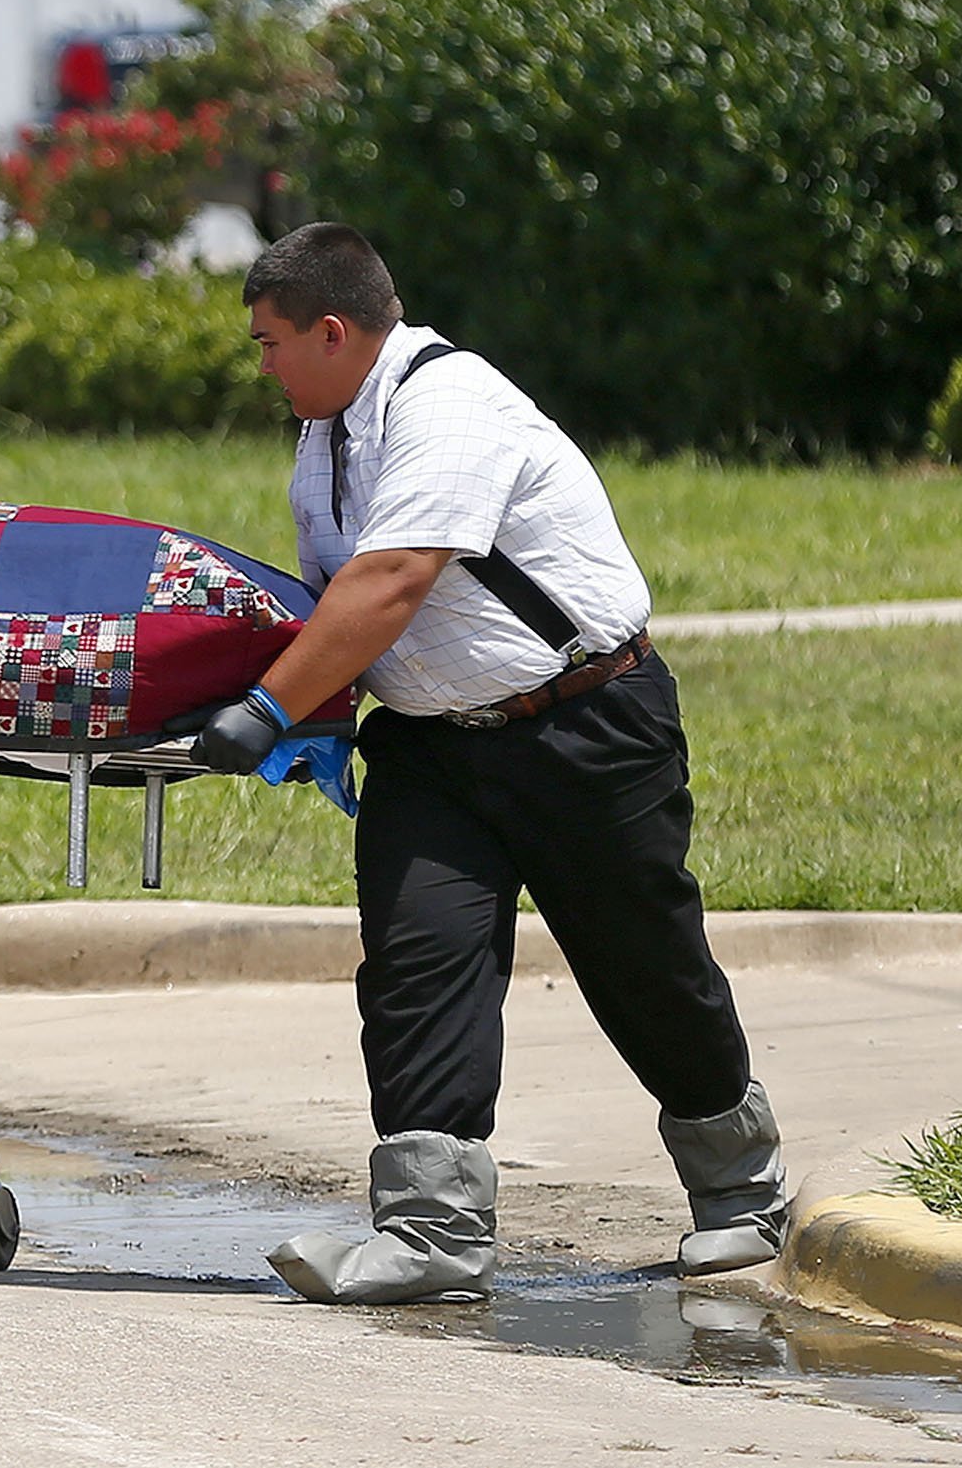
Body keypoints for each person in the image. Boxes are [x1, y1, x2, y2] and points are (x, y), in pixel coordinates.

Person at [191, 222, 789, 1304]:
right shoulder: (326, 433)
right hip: (432, 747)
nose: (264, 362)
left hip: (585, 724)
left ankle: (743, 1192)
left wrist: (266, 710)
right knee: (418, 969)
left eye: (272, 341)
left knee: (640, 960)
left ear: (333, 330)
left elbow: (395, 578)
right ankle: (431, 1235)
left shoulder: (449, 404)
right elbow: (341, 602)